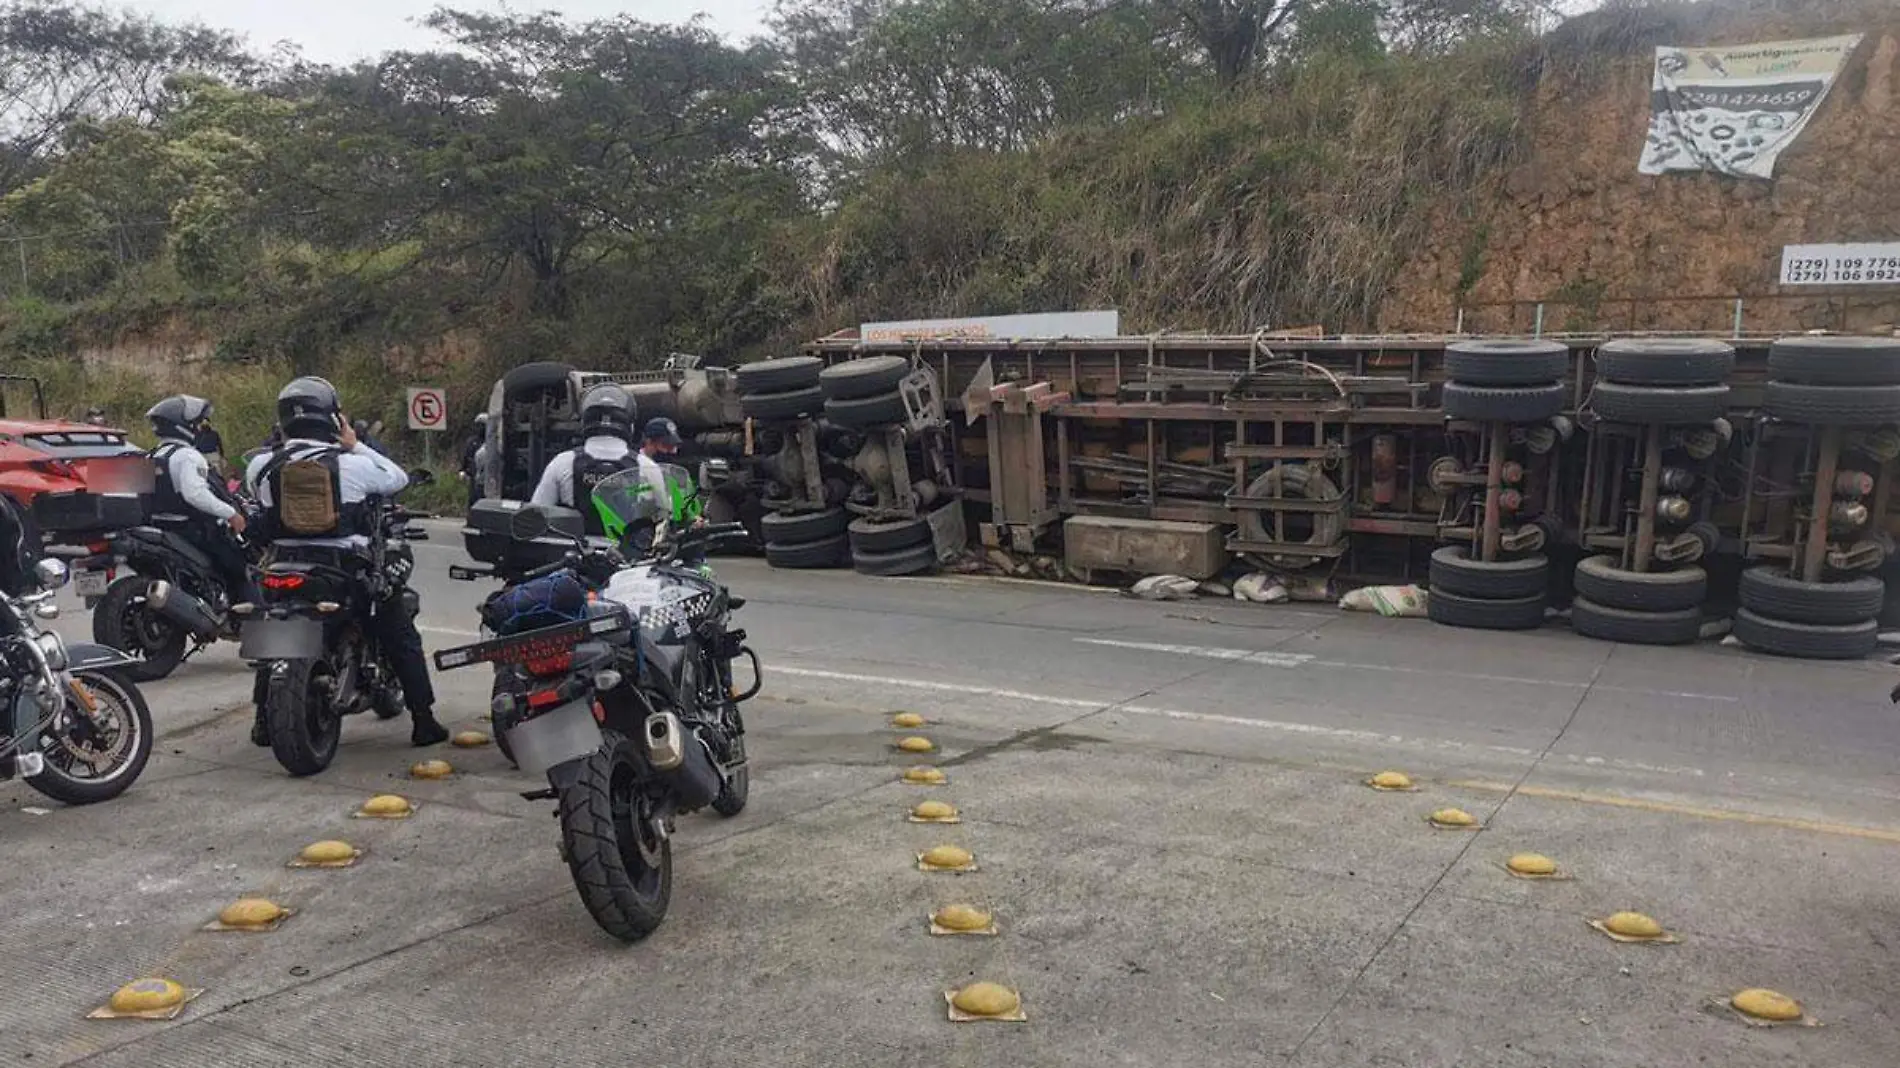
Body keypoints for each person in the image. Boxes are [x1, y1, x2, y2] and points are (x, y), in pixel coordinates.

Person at [245, 376, 446, 747]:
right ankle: (424, 720)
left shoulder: (260, 467)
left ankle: (262, 720)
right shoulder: (352, 465)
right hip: (342, 568)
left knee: (275, 634)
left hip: (282, 564)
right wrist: (355, 445)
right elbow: (398, 478)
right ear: (333, 419)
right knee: (400, 632)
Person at [146, 395, 256, 607]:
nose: (199, 428)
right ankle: (248, 616)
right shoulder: (187, 455)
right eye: (196, 424)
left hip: (164, 527)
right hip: (194, 530)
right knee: (240, 568)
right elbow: (195, 494)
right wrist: (231, 514)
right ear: (183, 426)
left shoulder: (153, 455)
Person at [531, 383, 667, 539]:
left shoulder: (562, 462)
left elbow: (537, 516)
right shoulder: (647, 467)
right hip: (630, 560)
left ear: (584, 421)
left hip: (573, 556)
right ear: (630, 424)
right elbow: (664, 519)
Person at [459, 412, 489, 509]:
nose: (480, 428)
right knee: (473, 498)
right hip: (474, 475)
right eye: (478, 425)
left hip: (488, 476)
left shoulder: (492, 441)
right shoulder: (472, 441)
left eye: (482, 425)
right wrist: (463, 470)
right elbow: (466, 457)